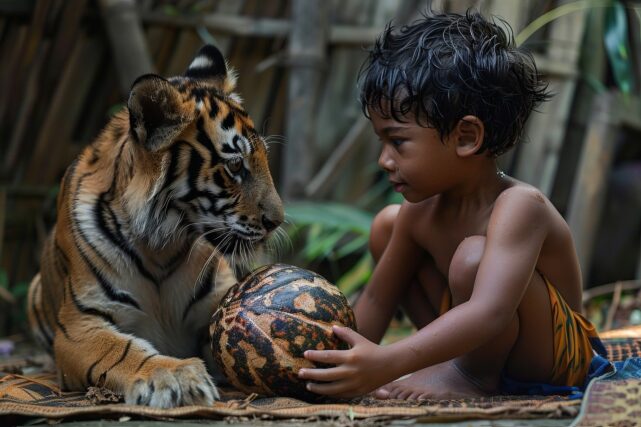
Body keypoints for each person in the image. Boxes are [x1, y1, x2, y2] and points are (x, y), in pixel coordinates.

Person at [297, 9, 609, 400]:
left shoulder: (520, 206)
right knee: (386, 225)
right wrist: (338, 362)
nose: (384, 160)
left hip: (556, 360)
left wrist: (388, 361)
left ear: (466, 138)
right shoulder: (420, 212)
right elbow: (377, 298)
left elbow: (490, 312)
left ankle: (471, 376)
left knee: (473, 259)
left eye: (397, 142)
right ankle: (450, 366)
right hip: (480, 340)